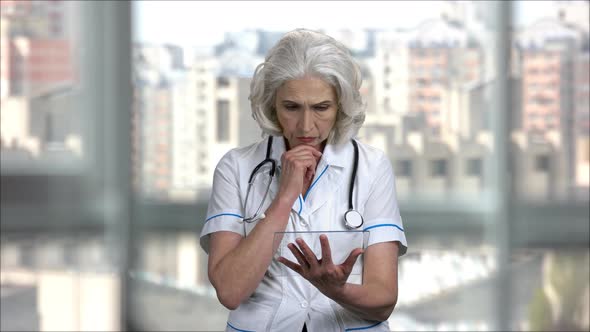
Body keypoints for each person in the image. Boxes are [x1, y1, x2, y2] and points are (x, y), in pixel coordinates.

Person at [200, 28, 407, 332]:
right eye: (291, 107)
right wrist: (283, 200)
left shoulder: (371, 167)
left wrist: (336, 289)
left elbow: (384, 298)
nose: (306, 126)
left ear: (341, 107)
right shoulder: (236, 168)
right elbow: (230, 291)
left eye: (321, 107)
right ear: (272, 105)